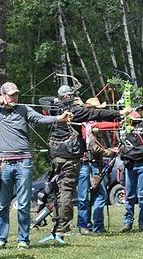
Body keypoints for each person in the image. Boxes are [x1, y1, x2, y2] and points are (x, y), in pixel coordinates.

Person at [0, 82, 71, 249]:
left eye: (16, 94)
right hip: (4, 164)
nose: (14, 97)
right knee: (2, 203)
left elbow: (40, 119)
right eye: (11, 95)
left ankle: (23, 239)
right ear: (3, 95)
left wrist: (59, 118)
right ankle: (0, 238)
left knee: (23, 203)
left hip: (24, 161)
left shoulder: (24, 109)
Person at [42, 85, 121, 245]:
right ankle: (63, 228)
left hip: (55, 155)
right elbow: (97, 113)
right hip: (70, 157)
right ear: (70, 97)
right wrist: (119, 113)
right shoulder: (75, 111)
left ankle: (57, 226)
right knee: (66, 192)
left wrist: (59, 100)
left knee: (57, 190)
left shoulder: (53, 108)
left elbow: (43, 100)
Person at [76, 99, 119, 234]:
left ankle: (95, 225)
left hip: (96, 163)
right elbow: (94, 145)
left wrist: (118, 122)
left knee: (98, 194)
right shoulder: (84, 124)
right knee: (86, 195)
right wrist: (109, 151)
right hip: (86, 162)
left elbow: (104, 125)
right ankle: (85, 225)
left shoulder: (94, 125)